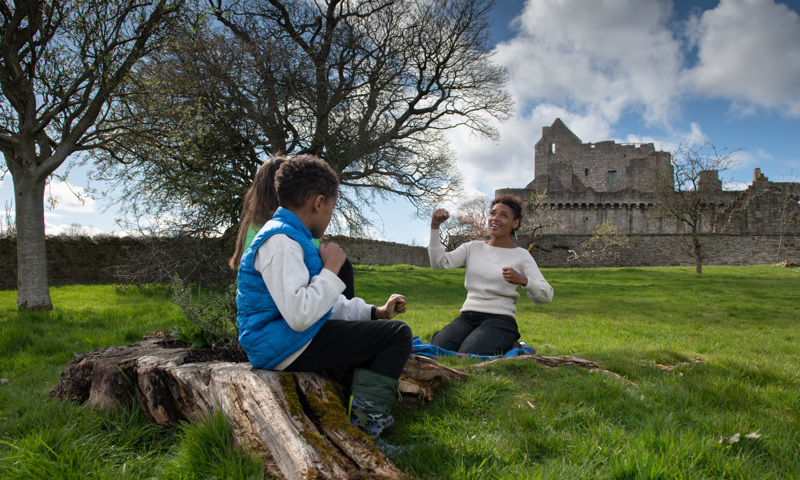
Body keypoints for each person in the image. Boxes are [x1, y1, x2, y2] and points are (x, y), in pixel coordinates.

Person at [236, 155, 412, 440]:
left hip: (290, 339)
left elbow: (321, 303)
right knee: (396, 336)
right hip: (281, 346)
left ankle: (362, 410)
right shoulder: (280, 242)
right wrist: (331, 268)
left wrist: (376, 312)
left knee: (388, 330)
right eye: (331, 207)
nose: (330, 216)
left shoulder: (293, 237)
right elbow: (300, 315)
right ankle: (368, 428)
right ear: (318, 203)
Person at [427, 194, 554, 355]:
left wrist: (524, 280)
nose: (495, 218)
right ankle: (500, 344)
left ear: (515, 223)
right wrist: (434, 227)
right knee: (437, 350)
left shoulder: (521, 255)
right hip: (467, 317)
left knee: (468, 355)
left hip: (500, 319)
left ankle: (511, 344)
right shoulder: (472, 248)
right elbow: (439, 263)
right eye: (493, 213)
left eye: (503, 215)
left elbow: (546, 295)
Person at [230, 157, 355, 299]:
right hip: (285, 307)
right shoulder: (279, 237)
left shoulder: (256, 226)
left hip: (266, 303)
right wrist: (331, 264)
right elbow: (299, 309)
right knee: (343, 267)